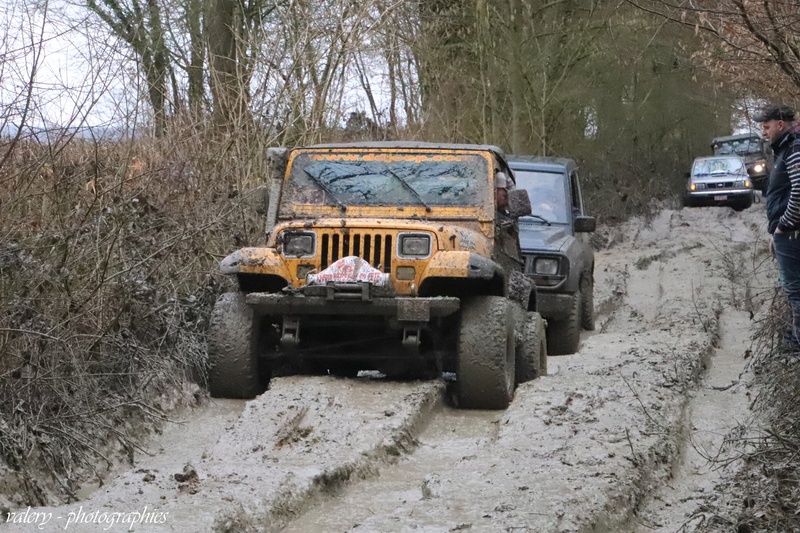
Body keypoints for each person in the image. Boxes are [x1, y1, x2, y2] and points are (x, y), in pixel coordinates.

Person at [754, 104, 800, 349]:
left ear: (780, 125)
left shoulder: (794, 147)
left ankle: (795, 348)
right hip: (788, 232)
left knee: (795, 293)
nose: (764, 132)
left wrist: (783, 226)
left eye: (767, 126)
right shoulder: (788, 147)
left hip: (793, 234)